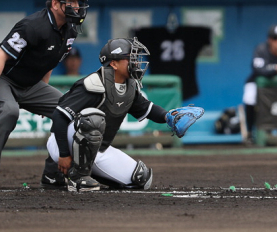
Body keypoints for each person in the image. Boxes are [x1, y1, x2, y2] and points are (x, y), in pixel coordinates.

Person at [0, 0, 90, 189]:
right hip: (4, 78)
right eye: (71, 2)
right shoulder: (32, 25)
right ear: (55, 4)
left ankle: (53, 173)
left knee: (71, 112)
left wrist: (43, 91)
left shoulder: (70, 30)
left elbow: (50, 60)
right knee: (9, 111)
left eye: (78, 2)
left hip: (31, 84)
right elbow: (0, 57)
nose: (77, 7)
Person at [44, 37, 204, 191]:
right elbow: (59, 116)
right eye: (130, 58)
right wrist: (63, 154)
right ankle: (77, 177)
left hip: (97, 150)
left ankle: (57, 173)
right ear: (113, 63)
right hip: (62, 144)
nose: (136, 62)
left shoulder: (128, 87)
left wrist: (169, 116)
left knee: (141, 178)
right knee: (93, 119)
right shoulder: (94, 84)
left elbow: (147, 108)